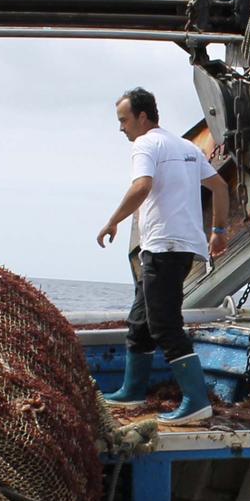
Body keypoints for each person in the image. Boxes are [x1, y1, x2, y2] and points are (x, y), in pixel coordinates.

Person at [97, 87, 230, 424]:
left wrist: (113, 220)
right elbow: (220, 187)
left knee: (164, 324)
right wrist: (218, 232)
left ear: (142, 117)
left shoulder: (145, 145)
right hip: (179, 246)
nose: (121, 128)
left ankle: (197, 401)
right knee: (141, 320)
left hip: (164, 247)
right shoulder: (186, 147)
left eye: (124, 120)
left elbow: (141, 187)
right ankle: (132, 390)